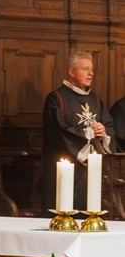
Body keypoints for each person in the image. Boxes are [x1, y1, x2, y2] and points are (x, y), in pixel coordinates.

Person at [41, 51, 115, 212]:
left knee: (88, 213)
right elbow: (57, 132)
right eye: (85, 69)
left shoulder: (95, 99)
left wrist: (103, 133)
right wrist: (88, 133)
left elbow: (109, 125)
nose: (91, 73)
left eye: (92, 70)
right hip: (63, 169)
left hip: (89, 173)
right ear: (71, 72)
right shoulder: (56, 98)